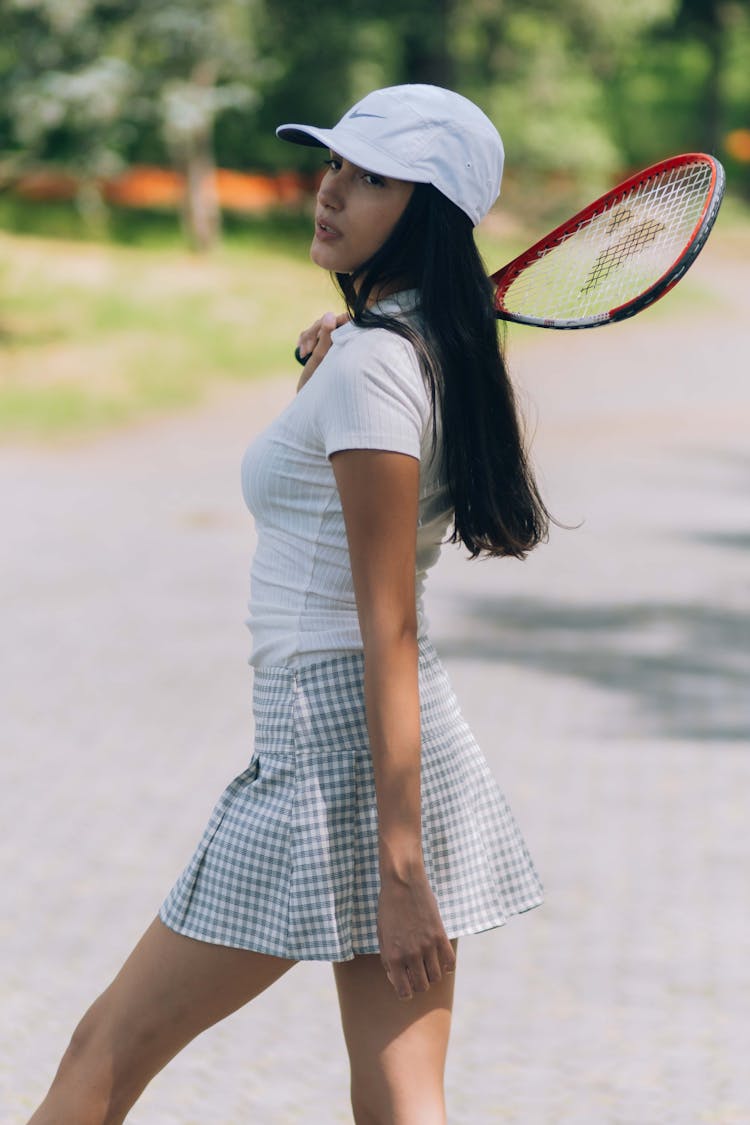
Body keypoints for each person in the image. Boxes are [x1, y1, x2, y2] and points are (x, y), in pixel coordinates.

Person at [28, 84, 549, 1125]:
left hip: (333, 761)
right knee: (403, 1103)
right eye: (335, 167)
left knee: (104, 1056)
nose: (332, 192)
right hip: (390, 753)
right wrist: (333, 360)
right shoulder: (406, 353)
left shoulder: (374, 368)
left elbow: (386, 622)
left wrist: (401, 869)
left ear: (430, 213)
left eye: (371, 178)